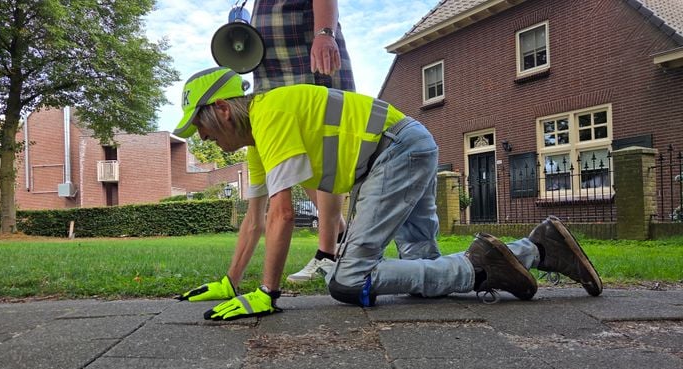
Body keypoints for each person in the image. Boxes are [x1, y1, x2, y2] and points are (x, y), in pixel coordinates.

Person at [173, 67, 603, 320]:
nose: (204, 138)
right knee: (422, 271)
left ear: (224, 110)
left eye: (201, 127)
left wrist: (266, 295)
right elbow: (255, 218)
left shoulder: (270, 114)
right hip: (398, 149)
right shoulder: (256, 142)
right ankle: (538, 249)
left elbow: (282, 215)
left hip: (394, 152)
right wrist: (230, 284)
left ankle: (484, 267)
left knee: (348, 281)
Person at [251, 0, 355, 283]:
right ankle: (345, 235)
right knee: (296, 153)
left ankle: (327, 254)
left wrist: (324, 33)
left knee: (324, 147)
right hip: (270, 63)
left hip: (307, 52)